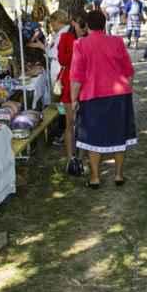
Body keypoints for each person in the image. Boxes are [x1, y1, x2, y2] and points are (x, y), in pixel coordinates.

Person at [70, 10, 137, 188]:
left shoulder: (80, 44)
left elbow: (77, 76)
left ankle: (95, 178)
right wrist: (127, 89)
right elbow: (129, 70)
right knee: (119, 135)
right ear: (104, 23)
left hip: (92, 96)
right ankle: (119, 175)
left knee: (93, 138)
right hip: (119, 95)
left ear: (87, 25)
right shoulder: (117, 42)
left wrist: (74, 98)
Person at [57, 13, 88, 176]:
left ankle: (81, 158)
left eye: (85, 25)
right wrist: (78, 48)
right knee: (70, 122)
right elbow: (62, 59)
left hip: (87, 83)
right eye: (80, 24)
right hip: (69, 83)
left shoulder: (89, 38)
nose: (83, 28)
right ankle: (71, 158)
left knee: (85, 123)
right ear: (74, 22)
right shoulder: (65, 37)